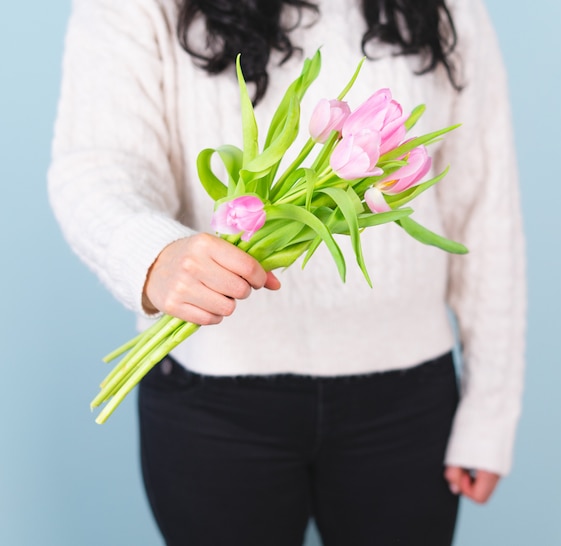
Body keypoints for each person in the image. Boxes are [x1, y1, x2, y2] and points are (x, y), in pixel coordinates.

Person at [48, 0, 526, 544]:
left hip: (409, 404)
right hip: (210, 401)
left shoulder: (451, 10)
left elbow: (488, 212)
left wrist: (491, 409)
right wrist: (154, 256)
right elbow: (98, 163)